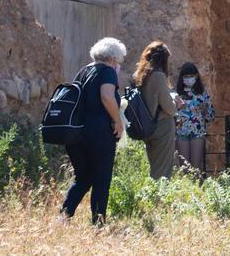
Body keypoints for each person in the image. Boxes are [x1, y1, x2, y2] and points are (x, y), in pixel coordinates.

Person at [60, 37, 126, 225]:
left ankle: (63, 216)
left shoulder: (83, 71)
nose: (118, 64)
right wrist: (117, 121)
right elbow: (107, 96)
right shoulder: (107, 72)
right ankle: (98, 223)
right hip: (99, 134)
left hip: (76, 135)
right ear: (113, 58)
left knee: (83, 178)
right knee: (101, 179)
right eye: (119, 60)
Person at [133, 41, 178, 180]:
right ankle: (160, 200)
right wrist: (176, 101)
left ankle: (153, 199)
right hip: (162, 126)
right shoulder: (158, 76)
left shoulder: (141, 76)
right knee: (163, 172)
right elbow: (169, 109)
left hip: (147, 127)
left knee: (154, 168)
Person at [174, 61, 215, 173]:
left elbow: (211, 116)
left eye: (191, 76)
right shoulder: (177, 94)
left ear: (196, 76)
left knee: (196, 168)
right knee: (184, 169)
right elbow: (171, 113)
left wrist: (205, 109)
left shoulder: (203, 95)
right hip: (182, 133)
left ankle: (196, 189)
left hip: (198, 133)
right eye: (186, 76)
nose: (188, 79)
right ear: (182, 78)